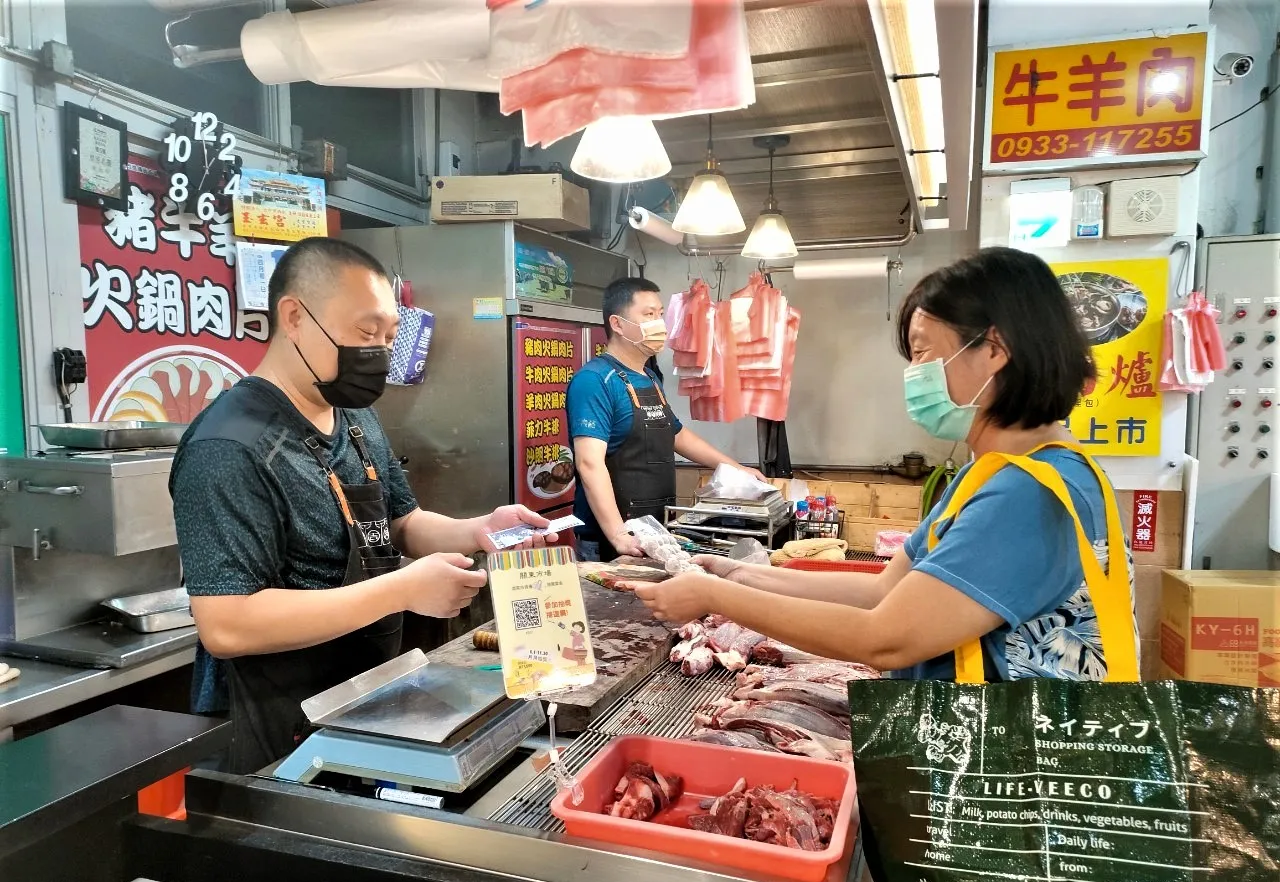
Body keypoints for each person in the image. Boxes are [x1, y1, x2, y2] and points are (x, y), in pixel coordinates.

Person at [633, 247, 1138, 682]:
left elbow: (885, 638)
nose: (914, 374)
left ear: (994, 350)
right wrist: (737, 576)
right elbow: (882, 590)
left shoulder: (1027, 495)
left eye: (923, 354)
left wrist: (711, 596)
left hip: (1000, 777)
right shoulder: (998, 472)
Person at [171, 236, 552, 773]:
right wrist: (402, 589)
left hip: (366, 693)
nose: (377, 351)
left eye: (387, 336)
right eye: (364, 332)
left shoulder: (352, 414)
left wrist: (478, 530)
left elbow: (401, 523)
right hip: (279, 720)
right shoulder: (229, 447)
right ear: (294, 317)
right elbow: (227, 624)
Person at [569, 277, 765, 562]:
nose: (658, 323)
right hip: (612, 541)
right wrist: (618, 534)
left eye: (660, 314)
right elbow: (589, 463)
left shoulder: (648, 377)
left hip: (654, 530)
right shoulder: (595, 381)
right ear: (618, 324)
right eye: (648, 315)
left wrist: (736, 469)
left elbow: (675, 434)